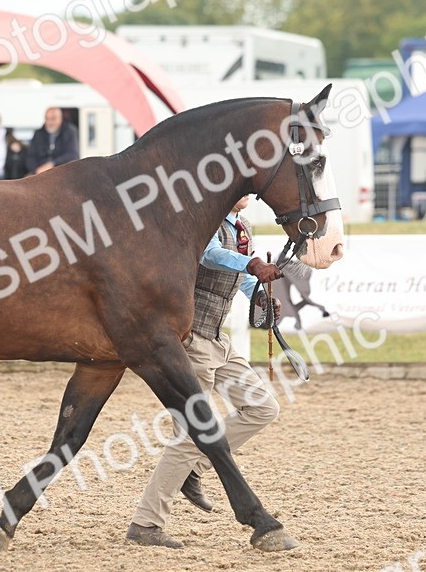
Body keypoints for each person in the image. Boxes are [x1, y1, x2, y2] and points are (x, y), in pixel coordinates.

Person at [126, 195, 303, 549]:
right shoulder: (205, 222)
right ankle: (146, 523)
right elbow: (210, 256)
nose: (250, 197)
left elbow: (240, 279)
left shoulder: (243, 229)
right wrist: (251, 263)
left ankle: (196, 466)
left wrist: (262, 296)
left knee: (264, 408)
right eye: (244, 190)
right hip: (192, 343)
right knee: (192, 435)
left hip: (219, 342)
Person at [25, 107, 79, 174]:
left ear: (60, 118)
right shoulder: (38, 134)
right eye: (47, 119)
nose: (50, 122)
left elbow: (72, 155)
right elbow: (30, 157)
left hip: (63, 174)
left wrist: (52, 165)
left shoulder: (70, 132)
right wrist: (37, 170)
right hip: (40, 175)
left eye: (53, 118)